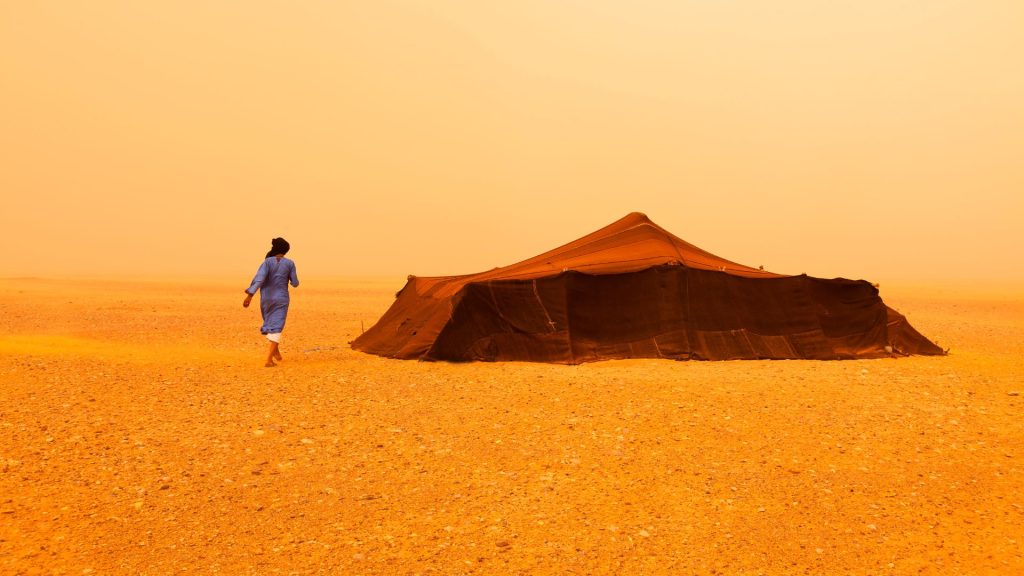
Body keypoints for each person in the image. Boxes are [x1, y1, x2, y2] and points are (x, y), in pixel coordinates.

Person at [243, 237, 299, 367]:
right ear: (286, 250)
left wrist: (249, 296)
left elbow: (259, 279)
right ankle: (268, 359)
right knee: (277, 327)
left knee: (271, 323)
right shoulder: (290, 263)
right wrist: (292, 281)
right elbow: (295, 283)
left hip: (266, 298)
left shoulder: (267, 262)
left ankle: (276, 351)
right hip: (281, 299)